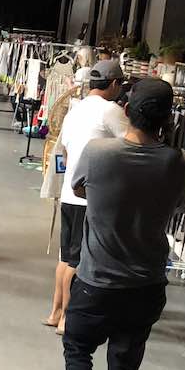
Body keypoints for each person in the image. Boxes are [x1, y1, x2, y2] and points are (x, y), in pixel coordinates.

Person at [52, 78, 185, 370]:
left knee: (77, 347)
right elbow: (180, 205)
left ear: (126, 110)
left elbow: (79, 190)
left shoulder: (100, 152)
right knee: (124, 365)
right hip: (147, 284)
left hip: (98, 280)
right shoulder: (180, 160)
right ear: (167, 118)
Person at [45, 58, 128, 333]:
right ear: (114, 84)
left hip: (70, 192)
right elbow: (132, 144)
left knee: (65, 257)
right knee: (78, 261)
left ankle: (56, 311)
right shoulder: (111, 111)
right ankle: (69, 317)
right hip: (90, 196)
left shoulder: (75, 110)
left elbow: (65, 151)